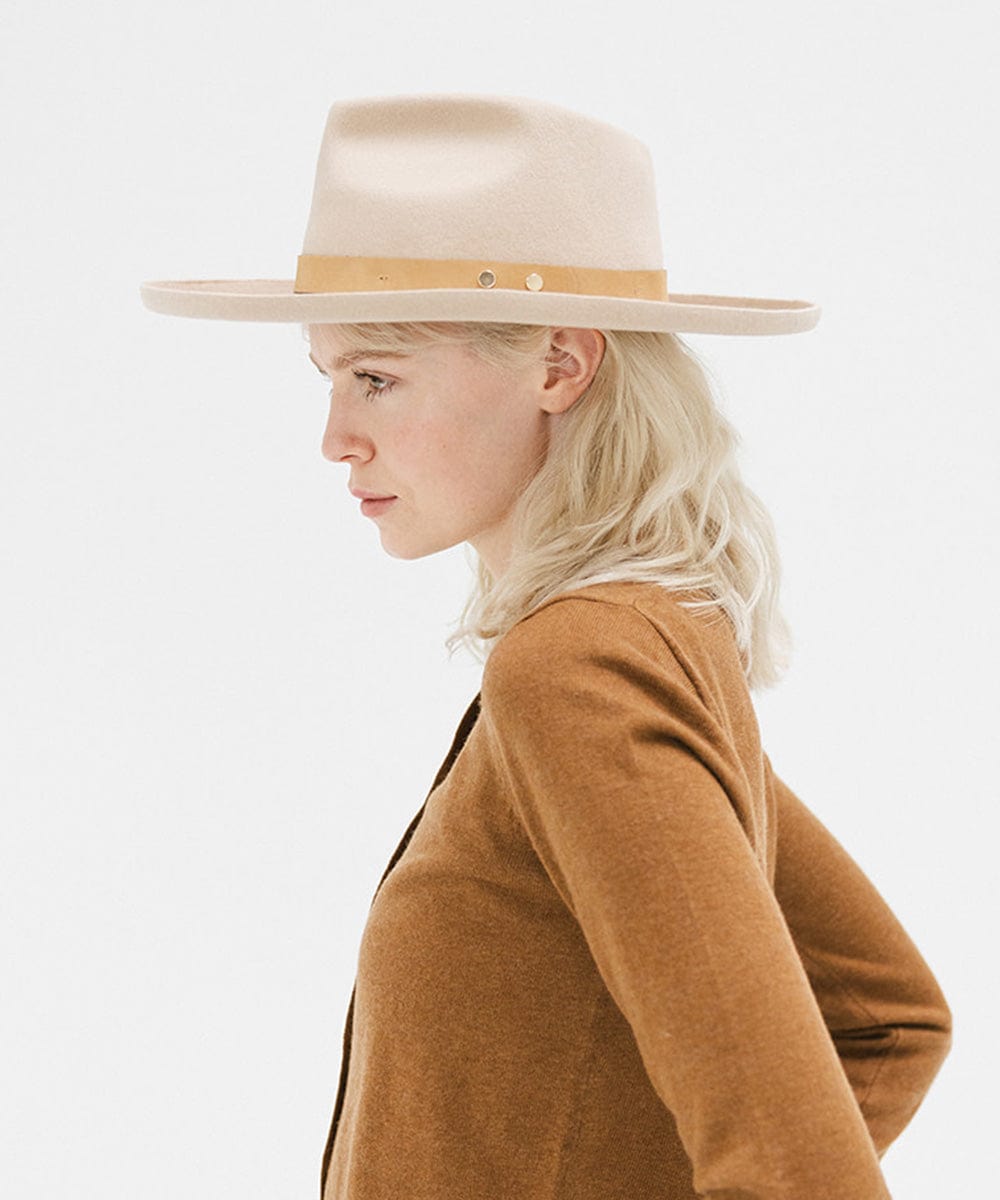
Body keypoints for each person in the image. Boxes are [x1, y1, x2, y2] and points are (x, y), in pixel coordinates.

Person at [141, 93, 952, 1200]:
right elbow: (885, 1018)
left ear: (560, 366)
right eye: (327, 377)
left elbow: (796, 1164)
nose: (334, 437)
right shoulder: (642, 645)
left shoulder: (577, 671)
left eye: (374, 375)